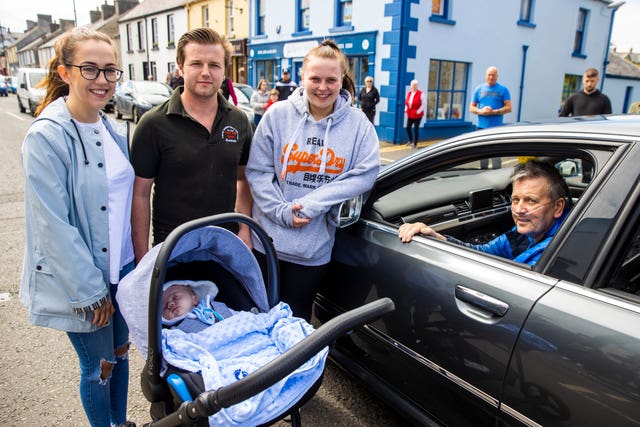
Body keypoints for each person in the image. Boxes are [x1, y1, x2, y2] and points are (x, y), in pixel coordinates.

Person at [20, 27, 136, 427]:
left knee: (121, 355)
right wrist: (90, 291)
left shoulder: (112, 129)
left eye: (109, 71)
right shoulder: (47, 136)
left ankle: (120, 423)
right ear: (65, 72)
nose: (102, 80)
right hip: (86, 283)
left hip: (121, 272)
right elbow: (52, 226)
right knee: (98, 367)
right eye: (90, 69)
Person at [246, 39, 380, 321]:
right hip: (266, 244)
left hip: (313, 249)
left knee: (296, 324)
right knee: (258, 318)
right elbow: (258, 172)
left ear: (341, 80)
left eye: (331, 80)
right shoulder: (277, 115)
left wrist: (310, 205)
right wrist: (281, 211)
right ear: (302, 78)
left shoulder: (358, 125)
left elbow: (365, 173)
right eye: (315, 78)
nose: (323, 87)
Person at [130, 27, 253, 263]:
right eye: (196, 63)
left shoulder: (239, 121)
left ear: (224, 70)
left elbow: (243, 179)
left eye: (214, 65)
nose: (206, 72)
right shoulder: (153, 123)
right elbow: (140, 195)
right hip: (172, 250)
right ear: (180, 66)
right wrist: (142, 260)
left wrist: (244, 228)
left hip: (224, 248)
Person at [398, 160, 570, 267]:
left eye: (531, 201)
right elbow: (482, 252)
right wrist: (436, 236)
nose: (519, 210)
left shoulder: (552, 254)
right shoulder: (527, 233)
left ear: (557, 207)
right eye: (516, 200)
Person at [470, 66, 512, 168]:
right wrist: (481, 111)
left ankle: (497, 174)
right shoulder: (478, 89)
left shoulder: (503, 90)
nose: (491, 77)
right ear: (486, 76)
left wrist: (495, 111)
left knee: (496, 154)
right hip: (481, 127)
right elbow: (471, 108)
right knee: (482, 154)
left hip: (496, 127)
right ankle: (483, 173)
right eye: (489, 75)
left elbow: (509, 108)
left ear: (497, 76)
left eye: (493, 75)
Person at [161, 281, 234, 332]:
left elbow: (240, 317)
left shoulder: (215, 306)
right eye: (164, 305)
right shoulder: (174, 332)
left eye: (175, 297)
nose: (170, 304)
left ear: (195, 299)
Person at [404, 79, 427, 148]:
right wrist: (405, 110)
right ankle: (410, 140)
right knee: (408, 127)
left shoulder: (421, 94)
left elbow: (424, 104)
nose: (414, 86)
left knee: (415, 129)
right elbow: (406, 103)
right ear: (411, 86)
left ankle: (415, 143)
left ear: (417, 86)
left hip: (418, 115)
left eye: (415, 85)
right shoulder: (409, 93)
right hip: (410, 114)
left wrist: (418, 111)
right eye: (413, 85)